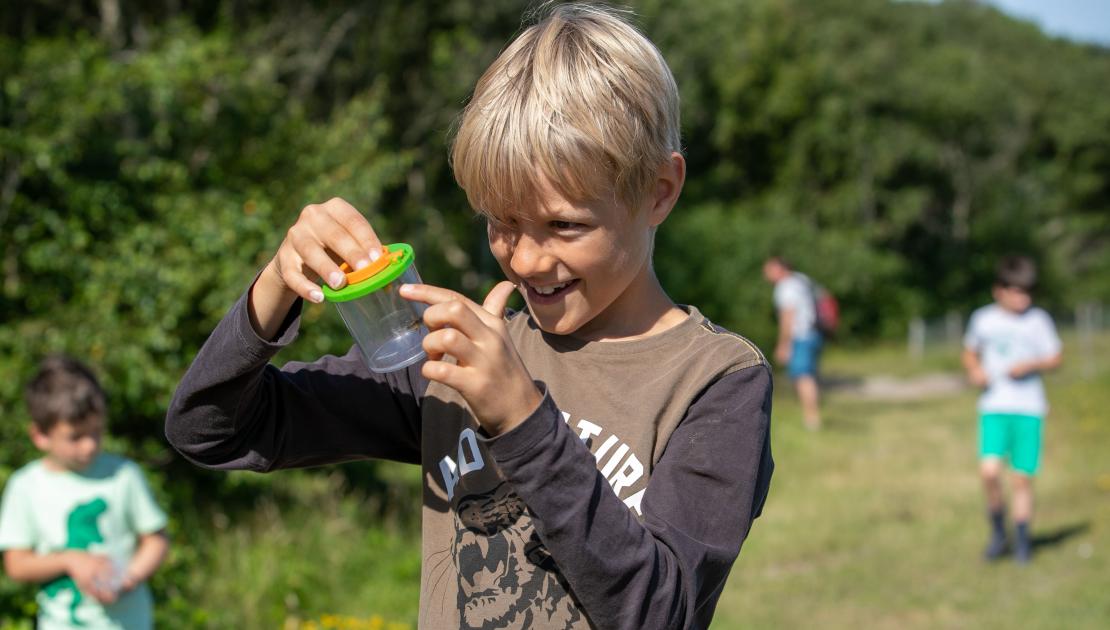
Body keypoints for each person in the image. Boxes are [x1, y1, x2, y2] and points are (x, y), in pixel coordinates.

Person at [165, 4, 773, 629]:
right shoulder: (449, 360)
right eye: (501, 223)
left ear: (660, 191)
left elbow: (659, 613)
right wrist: (275, 288)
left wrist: (522, 419)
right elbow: (208, 430)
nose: (528, 259)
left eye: (565, 225)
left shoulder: (718, 382)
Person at [0, 355, 170, 629]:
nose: (89, 445)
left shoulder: (123, 475)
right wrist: (69, 560)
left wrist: (130, 577)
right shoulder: (25, 486)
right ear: (40, 436)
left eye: (96, 432)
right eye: (76, 437)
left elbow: (156, 540)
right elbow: (16, 565)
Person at [962, 255, 1062, 564]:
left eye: (1027, 291)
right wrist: (974, 371)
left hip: (1029, 408)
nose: (1023, 298)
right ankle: (997, 531)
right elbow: (970, 352)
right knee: (989, 472)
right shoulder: (983, 319)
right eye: (1017, 291)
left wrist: (1032, 364)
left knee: (1021, 479)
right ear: (999, 290)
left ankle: (1021, 540)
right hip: (994, 407)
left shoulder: (1039, 321)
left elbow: (1055, 357)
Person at [762, 256, 823, 430]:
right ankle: (811, 415)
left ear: (780, 268)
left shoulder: (785, 287)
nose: (766, 275)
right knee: (809, 375)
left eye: (769, 270)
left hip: (800, 336)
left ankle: (812, 419)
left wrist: (784, 343)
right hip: (814, 333)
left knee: (803, 377)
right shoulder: (801, 279)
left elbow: (788, 316)